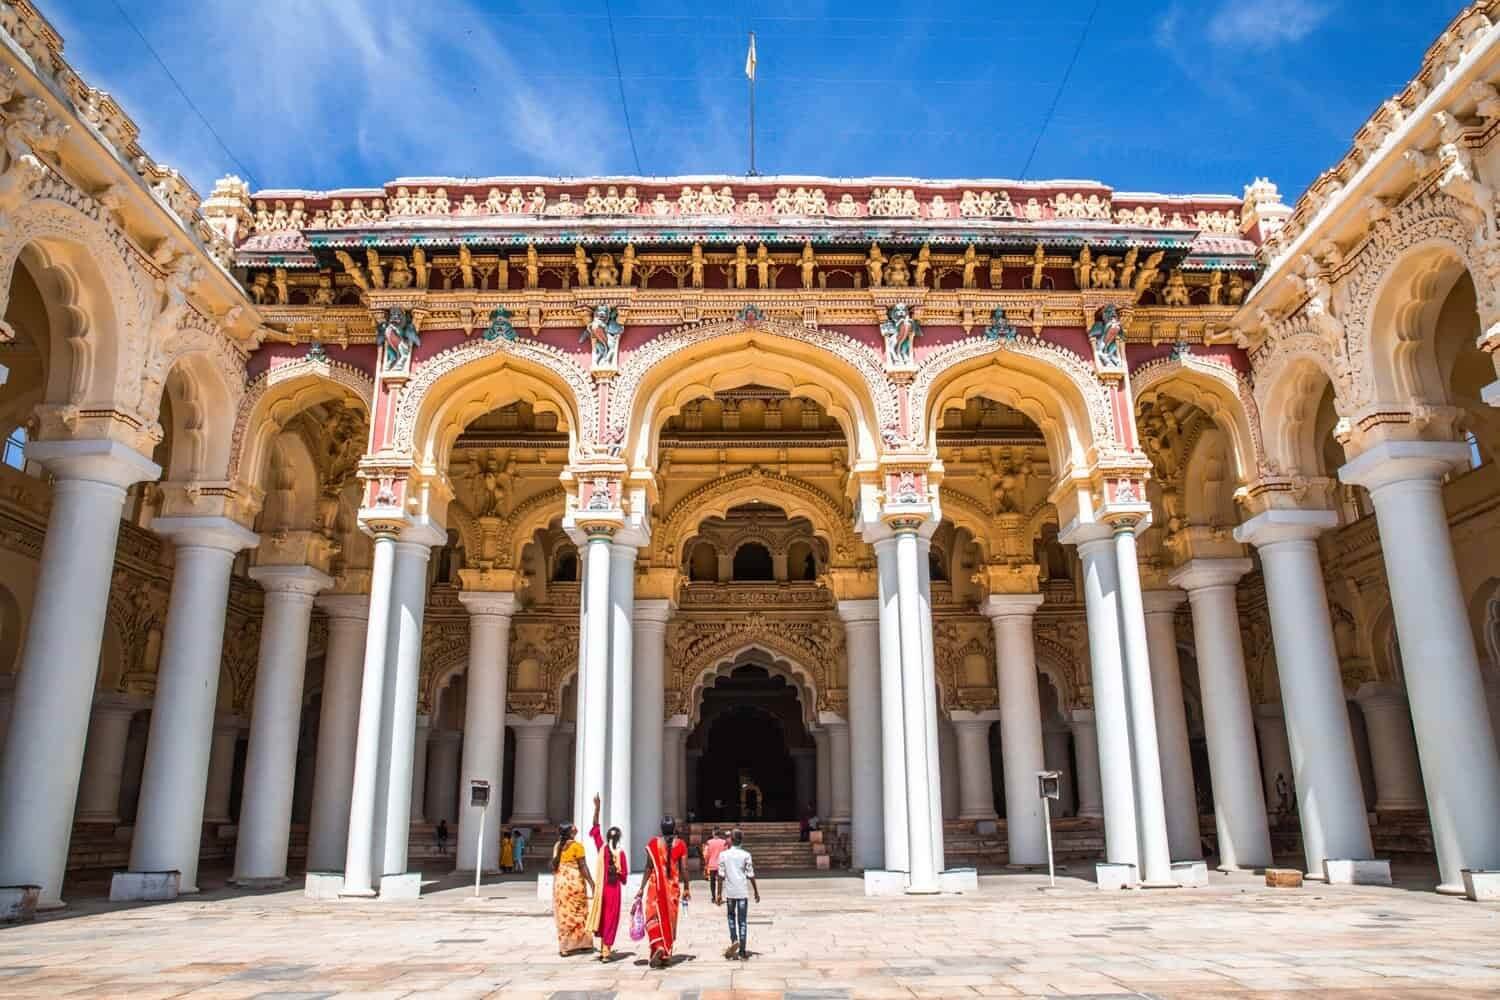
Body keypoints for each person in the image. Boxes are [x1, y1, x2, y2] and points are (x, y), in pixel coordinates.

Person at [635, 815, 690, 968]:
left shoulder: (653, 844)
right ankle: (665, 952)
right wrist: (687, 887)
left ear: (661, 829)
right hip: (672, 889)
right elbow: (684, 868)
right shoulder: (681, 844)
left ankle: (657, 947)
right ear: (674, 829)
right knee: (669, 920)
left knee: (652, 918)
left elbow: (648, 867)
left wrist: (641, 888)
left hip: (655, 887)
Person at [587, 794, 628, 962]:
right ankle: (606, 950)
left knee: (603, 917)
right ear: (618, 838)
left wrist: (597, 808)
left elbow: (595, 828)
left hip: (601, 889)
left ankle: (604, 946)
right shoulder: (621, 853)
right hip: (614, 890)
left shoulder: (602, 848)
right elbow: (624, 877)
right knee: (612, 919)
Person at [550, 823, 595, 956]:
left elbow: (555, 865)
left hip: (560, 883)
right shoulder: (577, 846)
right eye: (573, 827)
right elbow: (583, 867)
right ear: (570, 832)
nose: (576, 827)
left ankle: (565, 946)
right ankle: (583, 944)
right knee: (579, 912)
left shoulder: (558, 846)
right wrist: (592, 883)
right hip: (574, 883)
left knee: (564, 915)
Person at [717, 828, 760, 961]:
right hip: (742, 892)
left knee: (731, 917)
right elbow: (751, 875)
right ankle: (742, 950)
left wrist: (718, 894)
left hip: (730, 893)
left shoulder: (723, 855)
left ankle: (734, 939)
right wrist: (756, 891)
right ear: (741, 840)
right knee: (742, 921)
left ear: (731, 840)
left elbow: (720, 876)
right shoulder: (746, 855)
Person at [702, 827, 728, 905]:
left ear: (713, 833)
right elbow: (726, 853)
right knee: (720, 881)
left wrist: (706, 863)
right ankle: (719, 895)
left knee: (712, 882)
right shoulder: (724, 842)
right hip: (721, 865)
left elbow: (706, 854)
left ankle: (713, 897)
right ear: (719, 834)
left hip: (712, 864)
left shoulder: (709, 842)